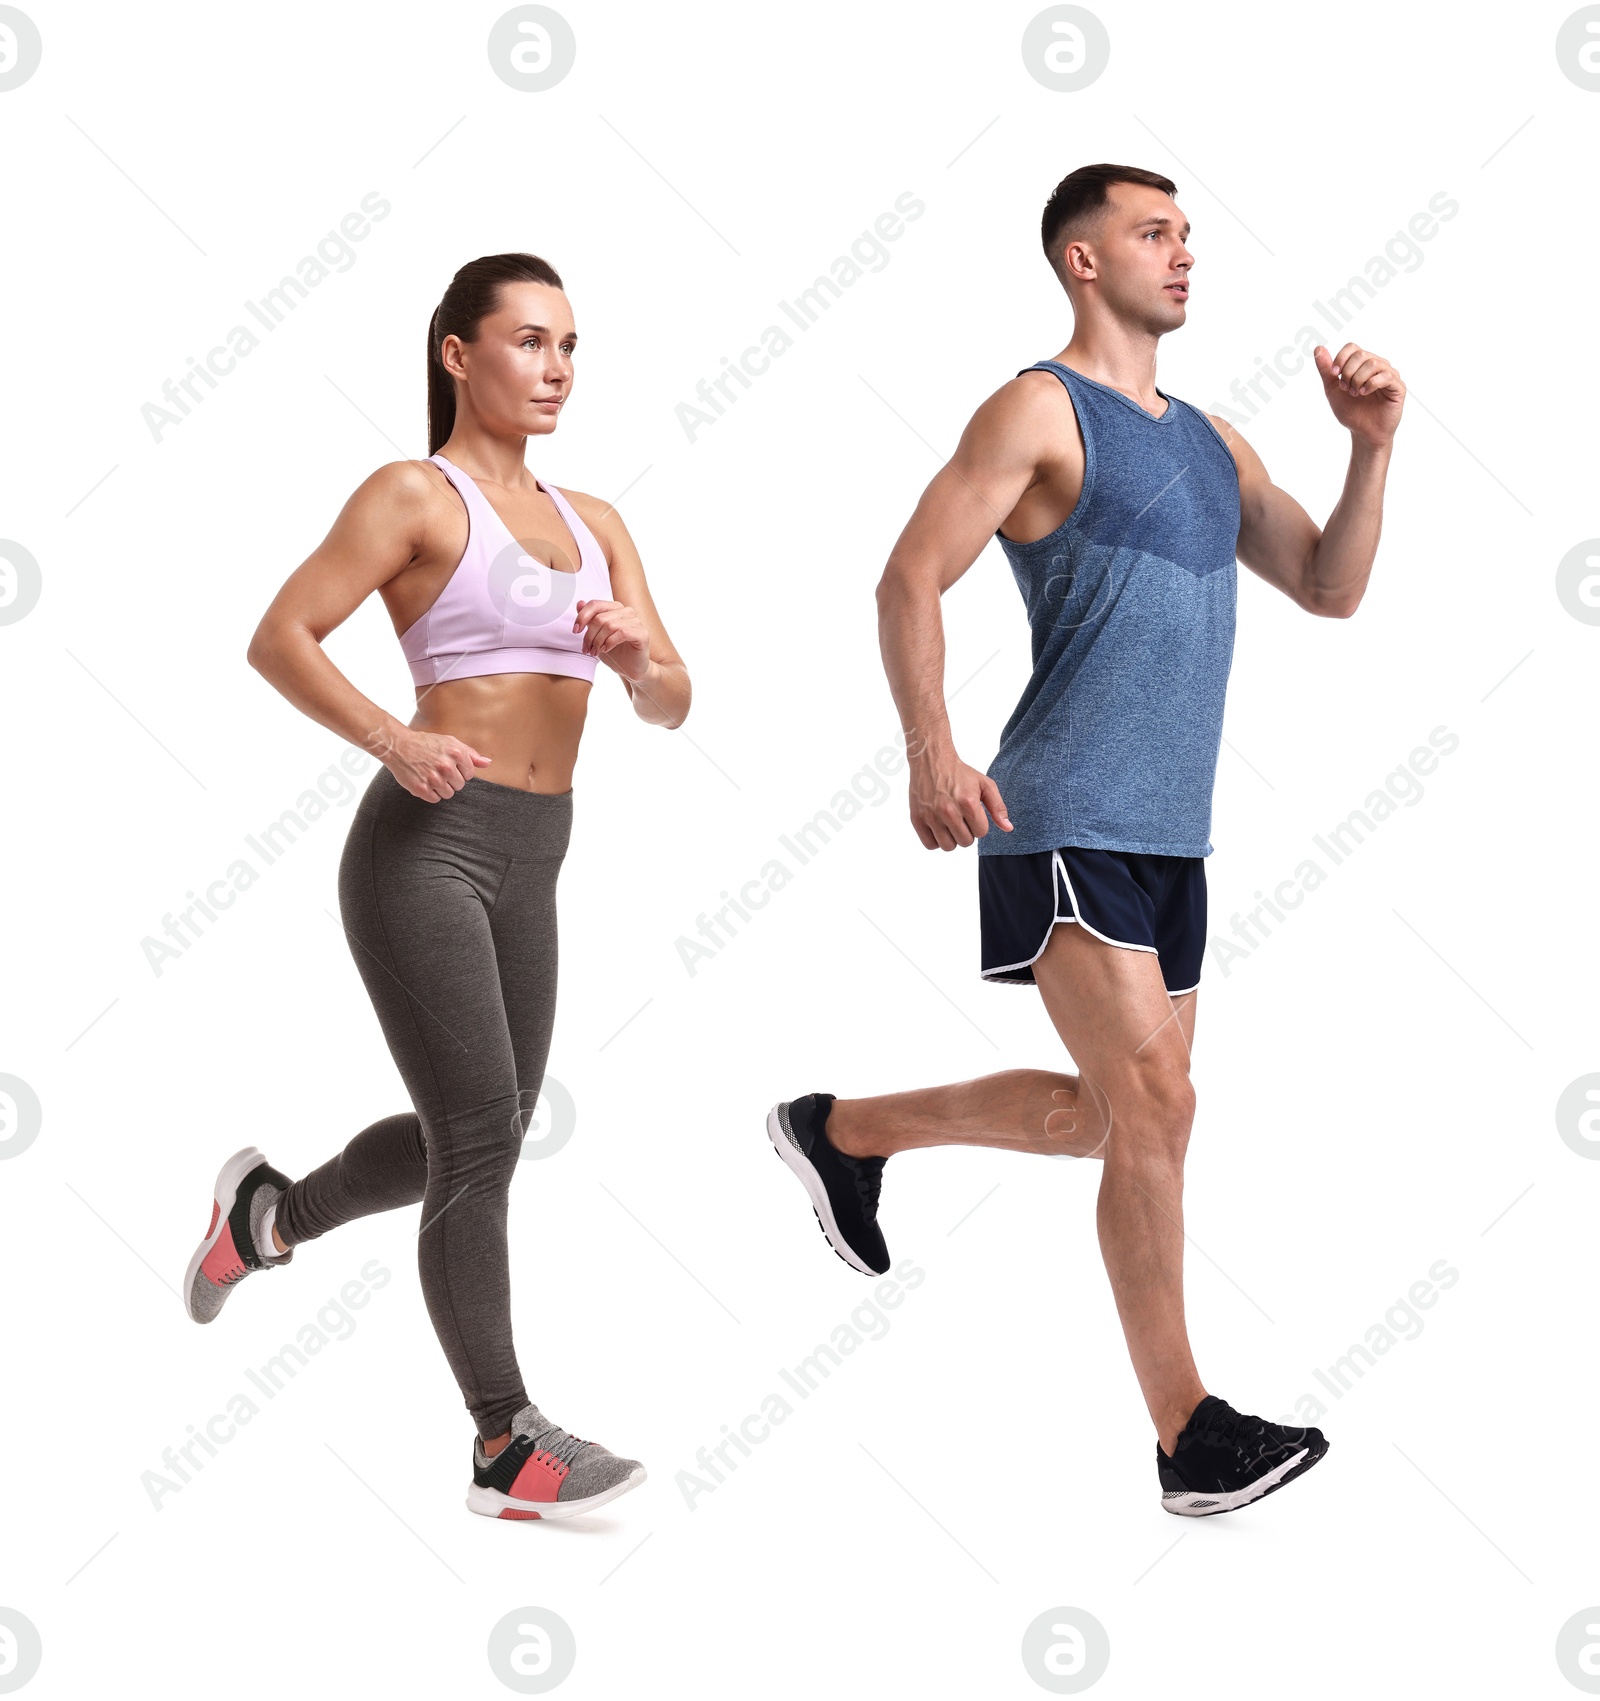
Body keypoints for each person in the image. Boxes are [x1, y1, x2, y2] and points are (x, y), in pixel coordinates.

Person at [767, 163, 1404, 1516]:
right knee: (1160, 1110)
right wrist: (932, 750)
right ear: (1079, 259)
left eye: (1188, 235)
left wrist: (1371, 444)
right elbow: (907, 575)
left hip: (1176, 836)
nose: (1182, 255)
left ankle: (846, 1130)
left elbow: (1330, 587)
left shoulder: (1217, 442)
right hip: (1060, 813)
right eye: (1152, 233)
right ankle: (1188, 1432)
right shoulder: (1039, 409)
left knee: (1112, 1122)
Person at [183, 252, 690, 1521]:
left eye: (570, 345)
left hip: (540, 851)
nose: (556, 367)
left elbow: (677, 701)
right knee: (479, 1138)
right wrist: (393, 739)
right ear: (458, 354)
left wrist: (637, 660)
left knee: (493, 1130)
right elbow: (278, 635)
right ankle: (503, 1443)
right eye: (528, 341)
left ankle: (269, 1215)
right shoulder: (416, 493)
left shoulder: (597, 522)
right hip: (427, 846)